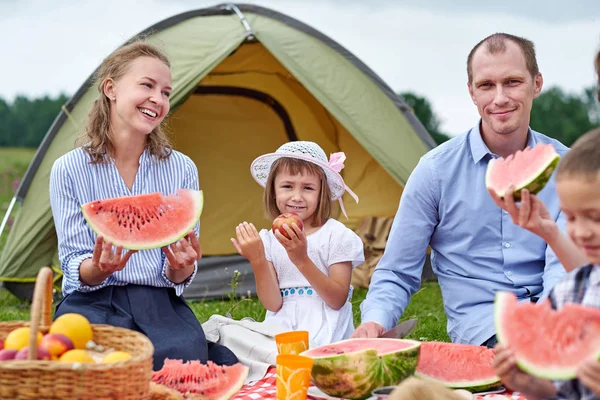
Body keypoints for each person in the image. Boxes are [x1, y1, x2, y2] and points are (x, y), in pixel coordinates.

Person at [353, 32, 569, 347]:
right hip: (483, 326)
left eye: (512, 82)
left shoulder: (566, 168)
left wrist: (549, 324)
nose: (499, 98)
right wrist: (375, 320)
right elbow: (397, 270)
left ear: (536, 83)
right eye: (486, 85)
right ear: (471, 92)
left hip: (556, 312)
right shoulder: (435, 171)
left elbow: (563, 267)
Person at [49, 40, 238, 370]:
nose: (158, 99)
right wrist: (98, 268)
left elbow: (178, 273)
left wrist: (183, 266)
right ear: (111, 88)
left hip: (158, 302)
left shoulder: (182, 168)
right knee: (88, 360)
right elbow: (74, 262)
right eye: (147, 86)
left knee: (183, 359)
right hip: (93, 301)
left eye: (165, 92)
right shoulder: (68, 168)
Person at [490, 127, 600, 400]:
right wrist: (528, 384)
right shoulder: (570, 290)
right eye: (571, 218)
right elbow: (561, 394)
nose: (582, 232)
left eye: (595, 217)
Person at [231, 141, 365, 346]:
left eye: (308, 188)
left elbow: (337, 300)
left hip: (325, 329)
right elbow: (273, 304)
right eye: (287, 186)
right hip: (282, 329)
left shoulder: (335, 235)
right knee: (229, 336)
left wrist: (301, 259)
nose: (297, 196)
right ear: (273, 190)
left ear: (322, 193)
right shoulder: (268, 239)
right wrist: (257, 259)